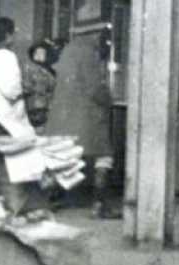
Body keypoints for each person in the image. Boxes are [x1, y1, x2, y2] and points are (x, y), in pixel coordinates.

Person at [45, 29, 121, 219]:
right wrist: (109, 99)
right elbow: (95, 88)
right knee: (103, 157)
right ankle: (99, 203)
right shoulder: (89, 53)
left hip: (62, 116)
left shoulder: (68, 51)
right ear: (95, 36)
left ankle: (48, 200)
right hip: (87, 116)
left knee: (62, 158)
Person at [0, 16, 51, 218]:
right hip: (9, 118)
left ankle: (3, 203)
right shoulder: (7, 56)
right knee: (17, 164)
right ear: (7, 36)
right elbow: (12, 89)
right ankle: (18, 205)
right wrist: (24, 90)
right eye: (13, 32)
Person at [22, 39, 59, 130]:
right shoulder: (30, 70)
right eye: (36, 53)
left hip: (46, 105)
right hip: (34, 105)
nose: (38, 55)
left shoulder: (51, 72)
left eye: (41, 53)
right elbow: (26, 86)